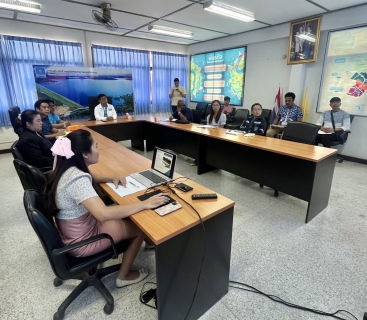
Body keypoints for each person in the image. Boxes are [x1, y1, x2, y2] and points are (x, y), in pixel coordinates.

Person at [43, 130, 170, 288]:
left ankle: (149, 242)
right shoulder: (76, 179)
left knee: (128, 212)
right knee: (139, 227)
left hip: (72, 230)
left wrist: (112, 178)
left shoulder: (67, 168)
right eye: (96, 146)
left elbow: (88, 177)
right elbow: (103, 214)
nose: (99, 149)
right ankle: (124, 276)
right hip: (83, 240)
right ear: (84, 154)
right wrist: (145, 204)